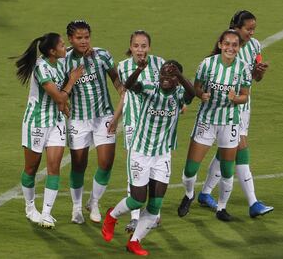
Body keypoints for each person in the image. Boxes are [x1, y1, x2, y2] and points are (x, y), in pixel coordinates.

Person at [102, 60, 195, 256]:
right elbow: (128, 86)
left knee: (155, 204)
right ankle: (111, 216)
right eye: (163, 74)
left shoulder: (179, 94)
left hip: (162, 154)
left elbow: (192, 94)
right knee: (137, 200)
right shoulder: (150, 88)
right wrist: (139, 69)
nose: (165, 79)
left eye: (171, 75)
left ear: (177, 79)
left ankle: (134, 241)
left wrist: (178, 74)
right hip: (140, 151)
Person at [197, 10, 273, 218]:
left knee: (226, 149)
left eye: (253, 29)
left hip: (244, 104)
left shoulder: (255, 46)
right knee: (240, 147)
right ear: (236, 28)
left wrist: (260, 71)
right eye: (248, 29)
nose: (251, 33)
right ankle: (253, 202)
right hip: (228, 106)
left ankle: (204, 193)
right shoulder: (229, 47)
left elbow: (255, 78)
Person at [177, 29, 252, 221]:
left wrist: (236, 99)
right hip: (207, 121)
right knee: (189, 170)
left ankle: (221, 207)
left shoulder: (243, 68)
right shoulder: (207, 64)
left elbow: (245, 95)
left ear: (238, 47)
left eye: (234, 45)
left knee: (227, 171)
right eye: (227, 44)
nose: (230, 48)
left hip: (230, 123)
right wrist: (201, 95)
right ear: (220, 45)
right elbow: (196, 87)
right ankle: (189, 194)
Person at [15, 32, 83, 228]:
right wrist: (72, 80)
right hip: (36, 122)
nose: (65, 47)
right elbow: (59, 97)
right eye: (62, 45)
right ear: (52, 51)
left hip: (56, 122)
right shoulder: (41, 68)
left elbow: (74, 49)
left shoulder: (59, 60)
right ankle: (30, 208)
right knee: (31, 168)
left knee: (54, 168)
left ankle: (46, 213)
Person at [65, 20, 124, 224]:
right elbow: (61, 90)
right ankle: (76, 208)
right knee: (78, 165)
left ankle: (94, 201)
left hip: (104, 117)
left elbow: (116, 79)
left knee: (106, 163)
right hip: (78, 120)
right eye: (79, 38)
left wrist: (121, 101)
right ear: (70, 39)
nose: (83, 41)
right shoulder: (64, 60)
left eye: (86, 37)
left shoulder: (102, 55)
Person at [112, 30, 165, 233]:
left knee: (155, 171)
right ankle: (135, 217)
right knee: (135, 171)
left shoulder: (160, 63)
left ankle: (153, 213)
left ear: (149, 47)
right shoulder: (124, 66)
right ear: (131, 47)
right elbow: (129, 89)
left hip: (157, 126)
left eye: (144, 46)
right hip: (134, 124)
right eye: (136, 46)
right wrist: (116, 119)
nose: (140, 50)